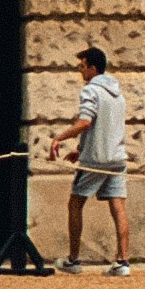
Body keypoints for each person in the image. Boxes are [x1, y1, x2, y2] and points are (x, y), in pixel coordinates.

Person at [57, 49, 132, 274]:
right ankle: (123, 261)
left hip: (96, 160)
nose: (80, 70)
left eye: (82, 66)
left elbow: (85, 122)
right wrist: (80, 149)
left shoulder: (90, 90)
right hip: (117, 157)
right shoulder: (118, 94)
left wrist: (59, 138)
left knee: (75, 203)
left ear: (92, 68)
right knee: (118, 207)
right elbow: (105, 126)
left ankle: (73, 259)